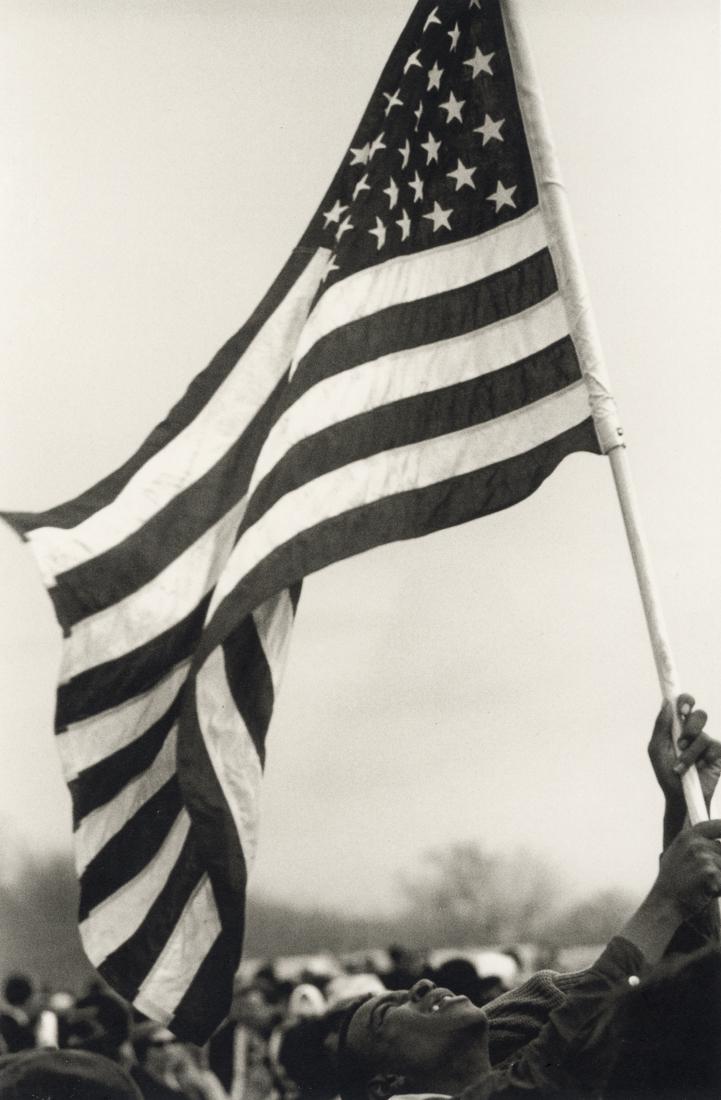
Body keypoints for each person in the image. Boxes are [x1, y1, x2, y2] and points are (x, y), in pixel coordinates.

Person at [280, 695, 721, 1099]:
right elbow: (557, 1065)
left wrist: (682, 810)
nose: (418, 985)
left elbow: (661, 995)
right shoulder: (531, 1075)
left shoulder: (534, 1037)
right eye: (387, 1012)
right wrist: (664, 903)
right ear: (388, 1086)